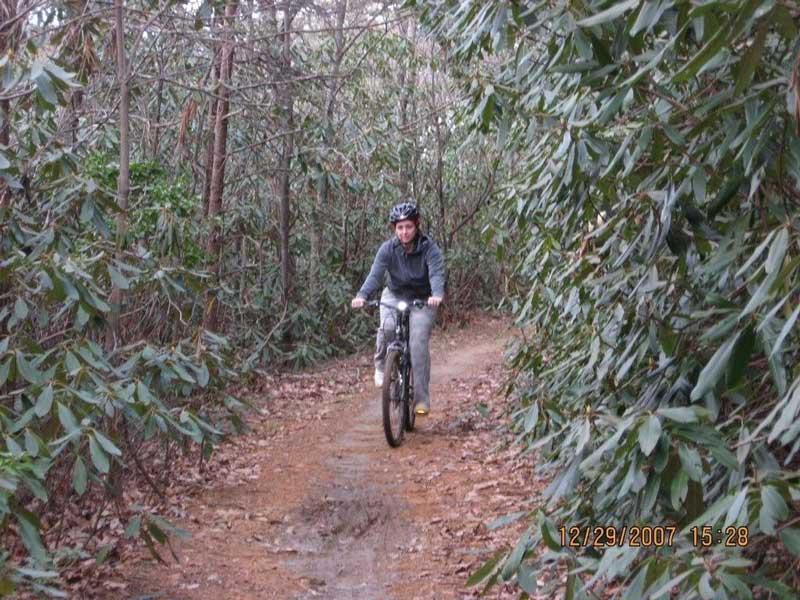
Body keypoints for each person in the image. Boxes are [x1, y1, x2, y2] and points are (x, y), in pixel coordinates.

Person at [350, 201, 445, 416]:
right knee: (388, 327)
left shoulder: (429, 248)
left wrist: (437, 295)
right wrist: (361, 296)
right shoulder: (387, 249)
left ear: (417, 226)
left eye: (408, 227)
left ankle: (421, 400)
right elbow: (375, 275)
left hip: (423, 299)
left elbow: (436, 274)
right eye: (400, 227)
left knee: (418, 341)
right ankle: (382, 367)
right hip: (394, 295)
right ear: (394, 228)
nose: (404, 232)